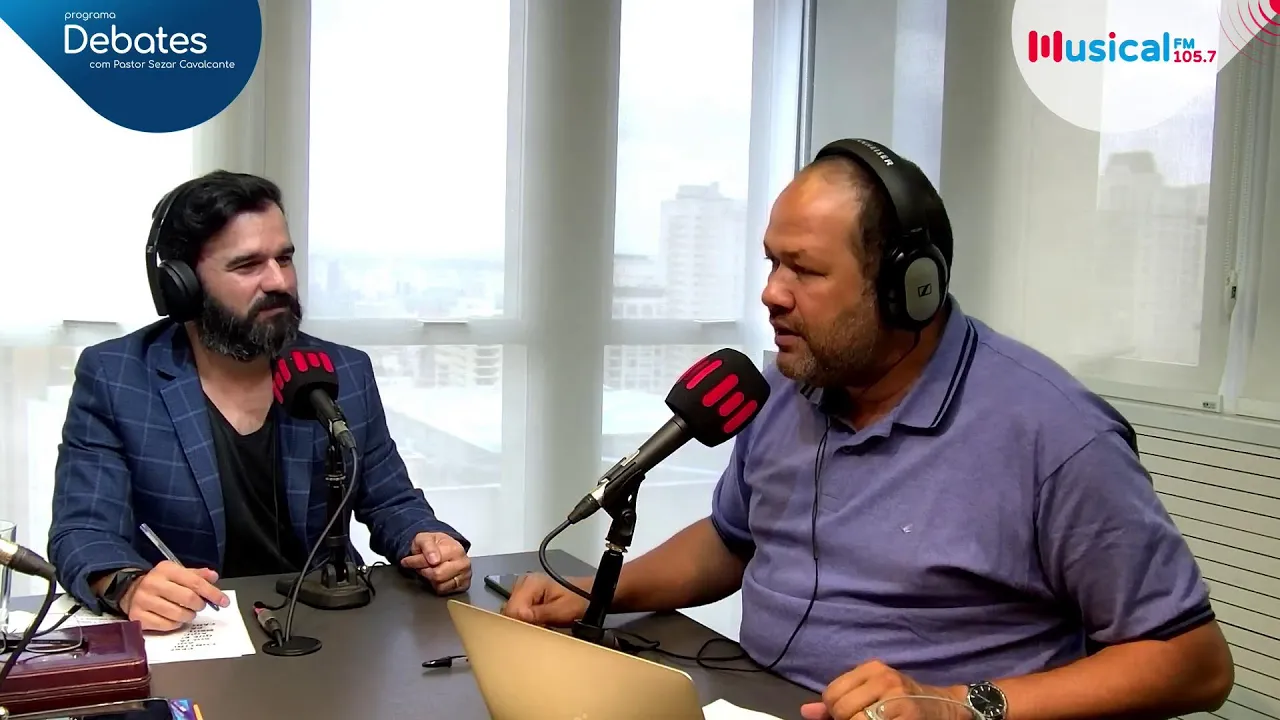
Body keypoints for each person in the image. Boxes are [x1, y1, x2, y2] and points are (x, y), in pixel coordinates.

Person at [501, 140, 1234, 720]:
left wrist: (957, 704)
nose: (771, 294)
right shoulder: (786, 388)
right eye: (772, 263)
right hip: (756, 701)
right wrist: (601, 593)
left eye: (804, 270)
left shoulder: (1056, 435)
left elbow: (1195, 664)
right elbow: (732, 540)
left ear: (907, 288)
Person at [49, 170, 473, 632]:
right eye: (248, 265)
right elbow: (82, 531)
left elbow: (391, 501)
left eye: (284, 258)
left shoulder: (343, 371)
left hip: (328, 626)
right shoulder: (117, 377)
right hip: (193, 629)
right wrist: (127, 585)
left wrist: (428, 542)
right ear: (182, 284)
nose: (278, 281)